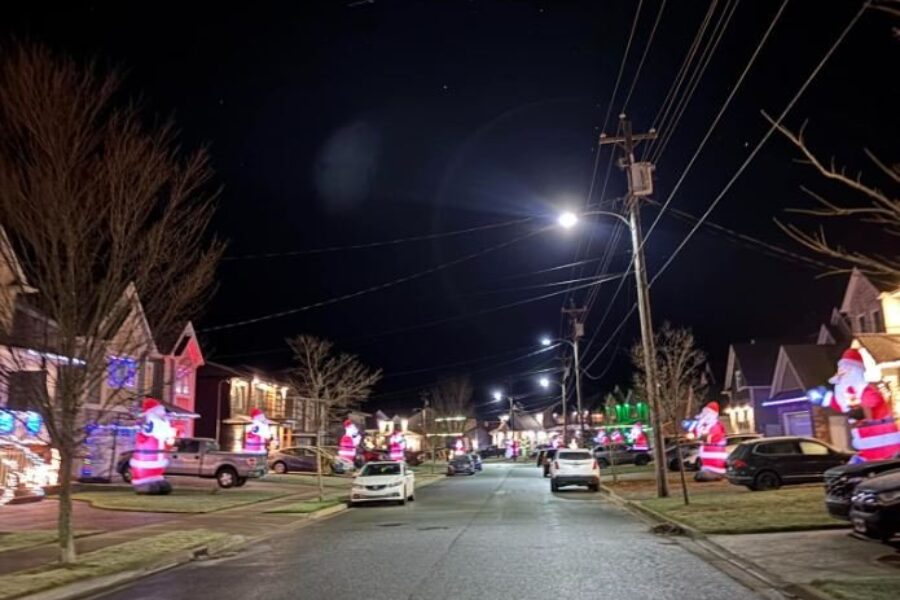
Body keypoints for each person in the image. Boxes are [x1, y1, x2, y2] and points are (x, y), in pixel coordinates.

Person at [811, 348, 900, 462]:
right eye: (841, 371)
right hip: (865, 444)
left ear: (856, 372)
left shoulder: (868, 390)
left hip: (885, 440)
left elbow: (871, 401)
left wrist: (857, 406)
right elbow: (839, 404)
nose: (842, 375)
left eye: (846, 371)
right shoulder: (844, 393)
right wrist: (825, 398)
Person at [691, 402, 727, 481]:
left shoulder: (715, 426)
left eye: (707, 413)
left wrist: (701, 437)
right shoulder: (703, 425)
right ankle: (708, 474)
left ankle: (716, 474)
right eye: (704, 412)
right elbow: (697, 433)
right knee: (702, 474)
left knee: (704, 475)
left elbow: (713, 437)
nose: (704, 415)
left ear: (712, 415)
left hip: (716, 461)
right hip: (706, 462)